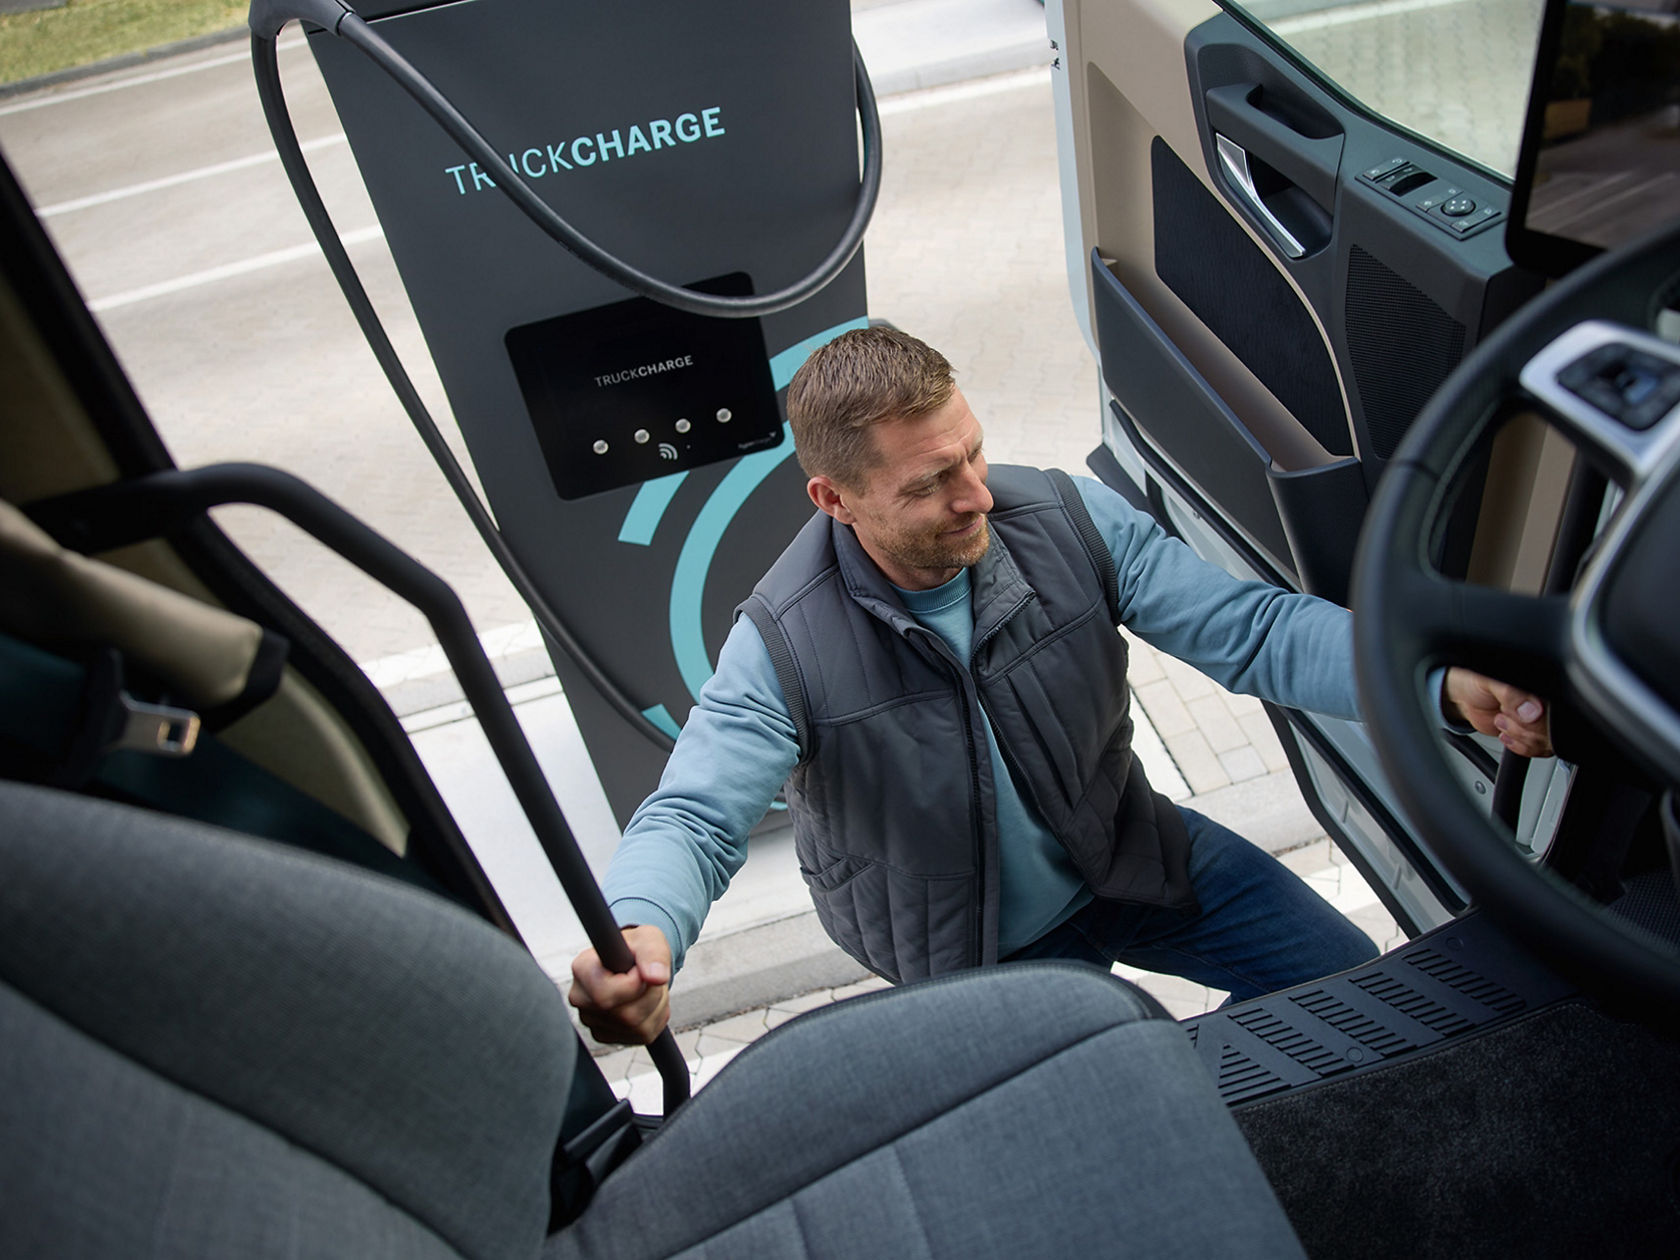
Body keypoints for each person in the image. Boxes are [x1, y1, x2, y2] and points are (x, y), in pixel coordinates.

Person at [569, 327, 1551, 1045]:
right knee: (1119, 1098)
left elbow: (1250, 631)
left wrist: (1433, 676)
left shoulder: (1063, 519)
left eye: (973, 453)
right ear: (834, 499)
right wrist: (639, 938)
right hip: (973, 943)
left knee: (1339, 979)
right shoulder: (782, 643)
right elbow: (694, 814)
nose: (976, 497)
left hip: (1125, 850)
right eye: (928, 485)